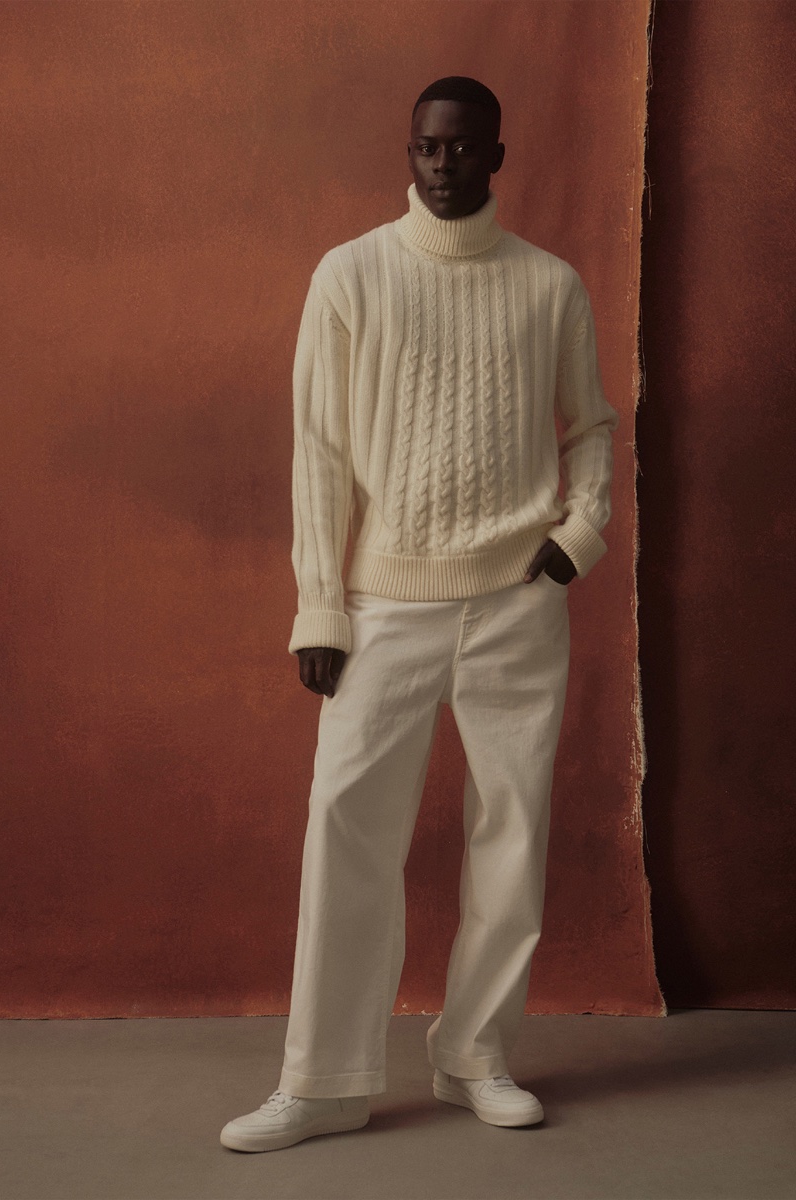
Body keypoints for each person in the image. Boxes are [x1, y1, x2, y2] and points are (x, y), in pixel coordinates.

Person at [221, 76, 618, 1153]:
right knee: (346, 826)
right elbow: (318, 452)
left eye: (463, 149)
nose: (442, 167)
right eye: (426, 149)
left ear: (498, 155)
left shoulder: (548, 285)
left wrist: (578, 533)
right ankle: (323, 1082)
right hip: (384, 604)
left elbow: (589, 427)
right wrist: (320, 608)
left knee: (512, 834)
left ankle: (473, 1054)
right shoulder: (350, 275)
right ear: (409, 152)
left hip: (517, 604)